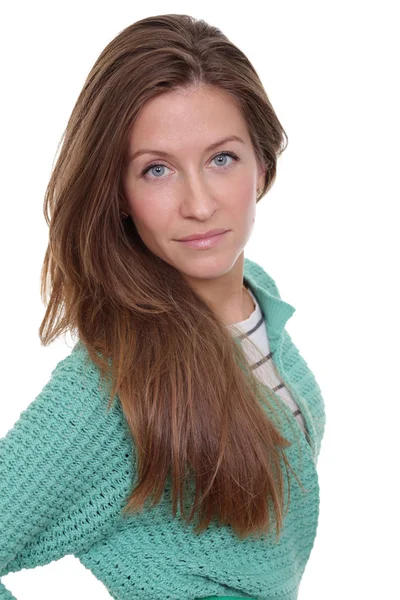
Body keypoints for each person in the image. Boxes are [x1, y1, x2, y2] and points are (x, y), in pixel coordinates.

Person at [0, 13, 326, 600]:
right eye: (156, 170)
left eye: (222, 158)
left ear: (263, 165)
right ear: (119, 196)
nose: (198, 204)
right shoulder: (107, 392)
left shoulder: (258, 296)